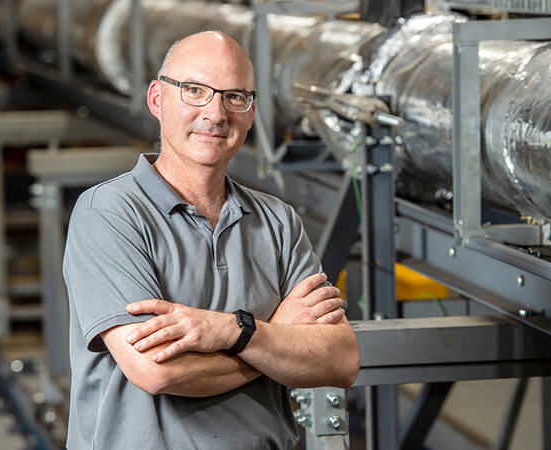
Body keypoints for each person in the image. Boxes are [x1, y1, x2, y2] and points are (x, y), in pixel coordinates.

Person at [62, 30, 360, 449]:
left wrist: (231, 332)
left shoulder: (278, 221)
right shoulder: (109, 213)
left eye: (235, 96)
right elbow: (158, 371)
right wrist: (271, 337)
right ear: (156, 99)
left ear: (251, 113)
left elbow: (341, 360)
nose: (216, 113)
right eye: (194, 91)